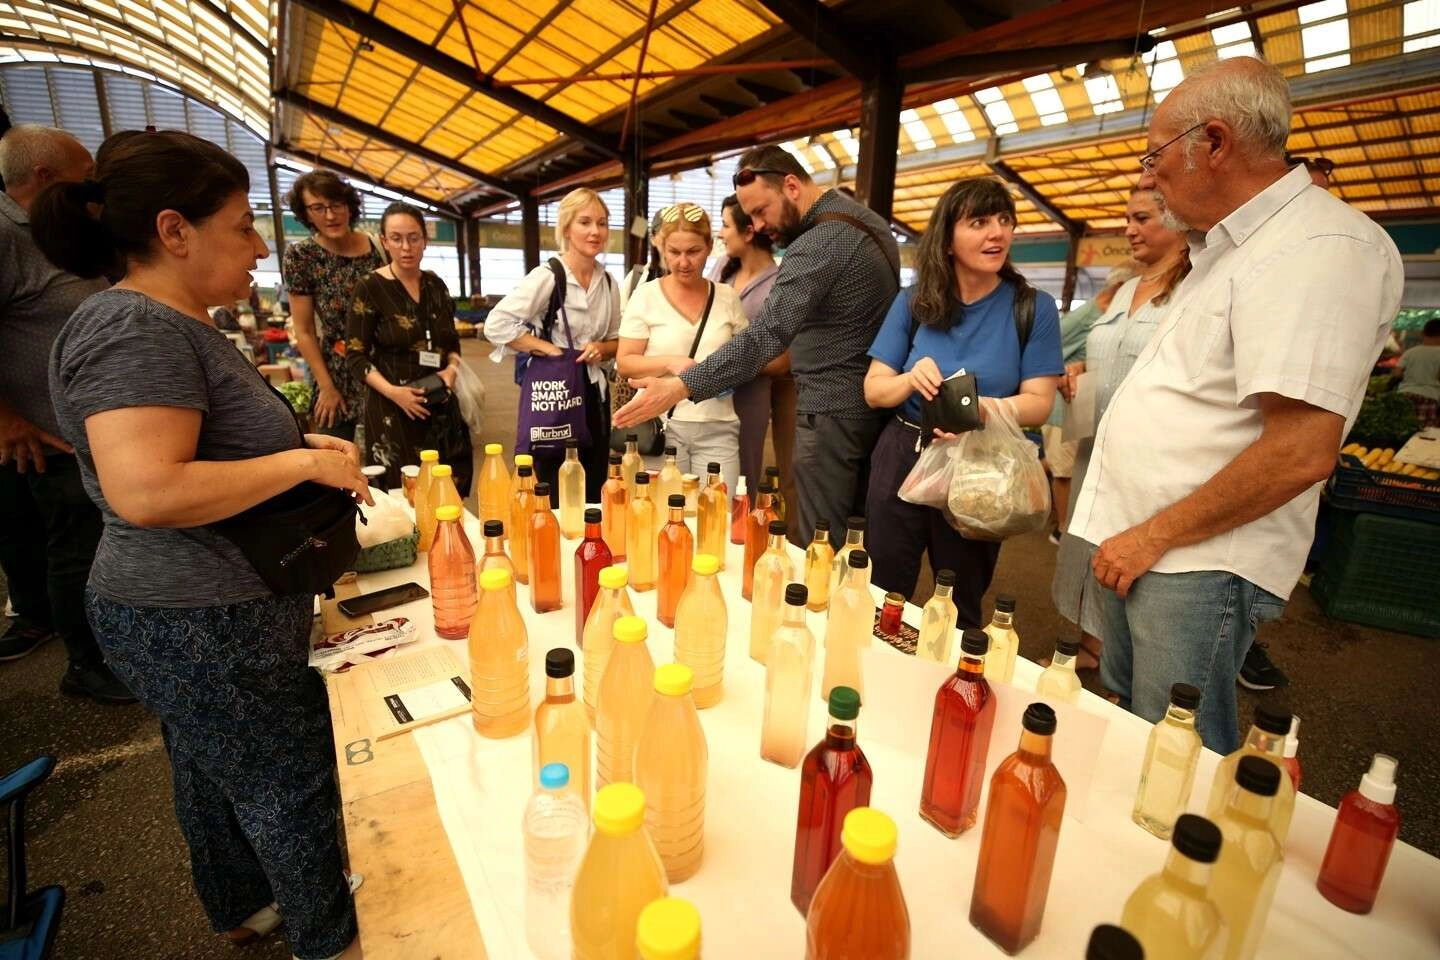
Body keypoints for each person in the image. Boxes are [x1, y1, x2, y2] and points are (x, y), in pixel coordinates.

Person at [36, 130, 370, 960]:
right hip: (197, 612)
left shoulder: (161, 323)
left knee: (210, 761)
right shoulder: (133, 329)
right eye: (243, 225)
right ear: (174, 230)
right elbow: (147, 489)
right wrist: (300, 459)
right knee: (286, 783)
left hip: (194, 606)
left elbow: (198, 456)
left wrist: (301, 455)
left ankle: (241, 902)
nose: (261, 246)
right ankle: (328, 940)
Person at [1068, 57, 1404, 753]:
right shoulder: (1228, 249)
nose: (1149, 175)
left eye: (1157, 155)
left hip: (1193, 558)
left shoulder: (1316, 247)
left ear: (1215, 143)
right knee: (1137, 732)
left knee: (1176, 749)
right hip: (1146, 544)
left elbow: (1301, 449)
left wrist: (1153, 534)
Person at [615, 144, 900, 543]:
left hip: (832, 410)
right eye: (749, 217)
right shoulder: (869, 222)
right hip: (869, 406)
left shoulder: (819, 241)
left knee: (820, 539)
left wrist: (682, 385)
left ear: (791, 186)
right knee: (853, 533)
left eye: (761, 211)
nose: (759, 226)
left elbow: (766, 335)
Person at [861, 178, 1062, 627]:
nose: (997, 233)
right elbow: (875, 389)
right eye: (979, 222)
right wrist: (911, 379)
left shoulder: (1033, 307)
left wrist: (980, 408)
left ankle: (949, 684)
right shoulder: (912, 302)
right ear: (947, 239)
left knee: (960, 597)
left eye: (1004, 220)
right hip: (906, 453)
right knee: (884, 587)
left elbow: (1039, 403)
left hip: (981, 461)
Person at [0, 124, 133, 703]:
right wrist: (5, 419)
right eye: (86, 177)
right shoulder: (5, 234)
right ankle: (85, 663)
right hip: (49, 435)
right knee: (76, 547)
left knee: (98, 541)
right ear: (46, 178)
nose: (94, 188)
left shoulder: (57, 234)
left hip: (90, 429)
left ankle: (109, 650)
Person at [1051, 190, 1190, 671]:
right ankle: (1092, 646)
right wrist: (1082, 367)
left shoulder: (1197, 289)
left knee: (1129, 550)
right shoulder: (1127, 290)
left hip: (1147, 453)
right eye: (1128, 218)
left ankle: (1123, 666)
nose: (1129, 228)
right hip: (1096, 441)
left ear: (1177, 220)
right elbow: (1108, 345)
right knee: (1088, 540)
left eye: (1142, 218)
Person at [486, 187, 620, 502]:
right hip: (557, 393)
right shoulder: (548, 276)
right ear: (566, 228)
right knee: (555, 485)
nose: (595, 231)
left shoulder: (609, 282)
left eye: (601, 223)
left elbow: (617, 337)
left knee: (593, 483)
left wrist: (603, 348)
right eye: (584, 222)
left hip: (593, 395)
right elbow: (496, 324)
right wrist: (548, 349)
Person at [617, 202, 748, 493]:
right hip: (662, 426)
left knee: (716, 518)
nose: (683, 262)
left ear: (710, 246)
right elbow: (625, 362)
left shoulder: (727, 298)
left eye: (693, 251)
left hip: (718, 426)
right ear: (661, 247)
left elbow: (745, 357)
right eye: (674, 253)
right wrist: (670, 363)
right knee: (662, 521)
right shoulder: (646, 295)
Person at [346, 201, 471, 493]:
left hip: (437, 403)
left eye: (414, 238)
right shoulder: (370, 287)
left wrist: (451, 371)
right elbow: (355, 356)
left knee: (446, 491)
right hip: (392, 410)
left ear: (425, 240)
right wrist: (395, 393)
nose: (406, 247)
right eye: (397, 238)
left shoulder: (435, 285)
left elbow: (451, 343)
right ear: (384, 241)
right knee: (404, 494)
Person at [282, 170, 385, 442]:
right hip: (334, 371)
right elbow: (303, 330)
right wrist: (326, 387)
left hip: (383, 366)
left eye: (336, 205)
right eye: (318, 208)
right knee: (336, 453)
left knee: (390, 454)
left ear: (349, 206)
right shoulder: (301, 256)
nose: (329, 215)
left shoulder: (377, 249)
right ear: (306, 213)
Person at [1040, 263, 1136, 546]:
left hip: (1081, 407)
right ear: (1119, 288)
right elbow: (1047, 354)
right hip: (1064, 406)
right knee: (1065, 472)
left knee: (1065, 464)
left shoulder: (1109, 315)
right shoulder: (1086, 317)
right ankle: (1062, 529)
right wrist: (1067, 372)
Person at [714, 193, 796, 515]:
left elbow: (783, 359)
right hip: (709, 396)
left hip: (749, 401)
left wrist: (729, 361)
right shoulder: (722, 269)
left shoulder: (780, 285)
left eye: (724, 225)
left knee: (741, 483)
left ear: (748, 232)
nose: (720, 234)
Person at [1395, 318, 1440, 427]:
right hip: (1429, 397)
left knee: (1403, 428)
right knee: (1424, 433)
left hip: (1405, 395)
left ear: (1423, 333)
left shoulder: (1410, 352)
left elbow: (1397, 373)